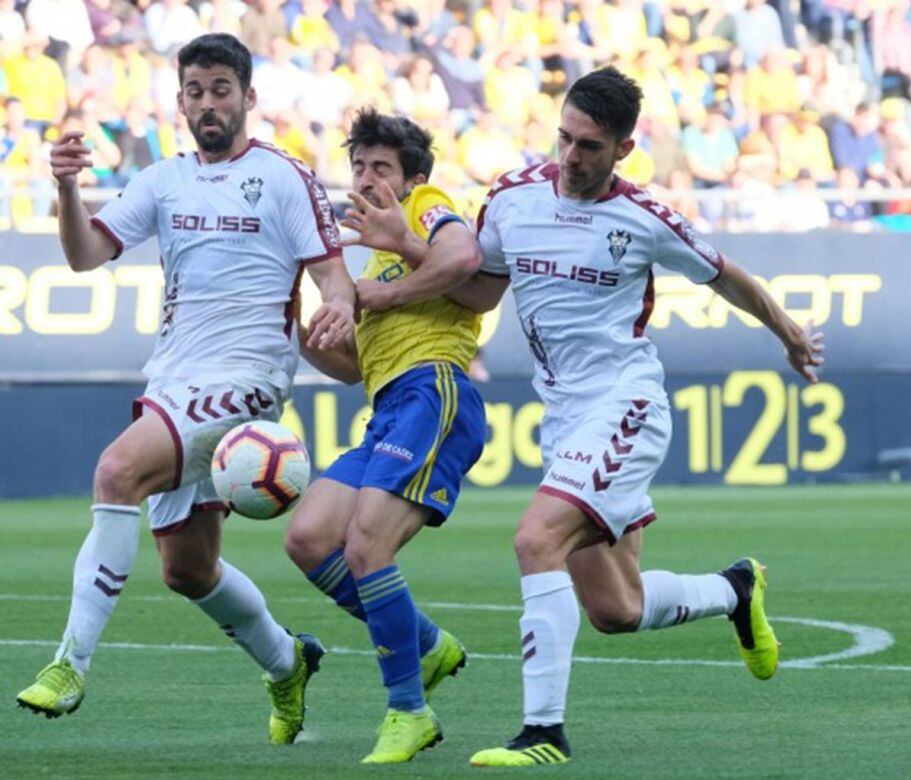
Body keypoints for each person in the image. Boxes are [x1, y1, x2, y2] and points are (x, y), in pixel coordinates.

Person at [437, 66, 824, 766]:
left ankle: (543, 733)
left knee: (534, 541)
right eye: (565, 138)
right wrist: (399, 274)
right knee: (616, 610)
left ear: (623, 148)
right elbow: (480, 292)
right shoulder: (513, 198)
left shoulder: (642, 218)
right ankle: (735, 589)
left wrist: (788, 332)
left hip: (626, 406)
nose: (571, 157)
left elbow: (725, 273)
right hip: (565, 420)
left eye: (589, 145)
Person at [15, 34, 357, 748]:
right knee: (188, 570)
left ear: (248, 98)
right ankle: (287, 661)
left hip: (250, 379)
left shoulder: (284, 177)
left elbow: (332, 274)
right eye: (196, 91)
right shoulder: (162, 180)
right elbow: (83, 257)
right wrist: (66, 187)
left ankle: (68, 664)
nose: (208, 103)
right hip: (175, 376)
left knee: (116, 470)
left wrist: (343, 306)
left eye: (221, 90)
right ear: (180, 101)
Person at [283, 108, 486, 764]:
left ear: (412, 178)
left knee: (368, 546)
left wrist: (383, 287)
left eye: (382, 168)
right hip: (389, 407)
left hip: (435, 391)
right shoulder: (371, 257)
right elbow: (354, 369)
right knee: (310, 538)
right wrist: (305, 330)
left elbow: (464, 257)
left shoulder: (427, 207)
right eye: (359, 166)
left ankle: (409, 711)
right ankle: (426, 645)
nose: (366, 178)